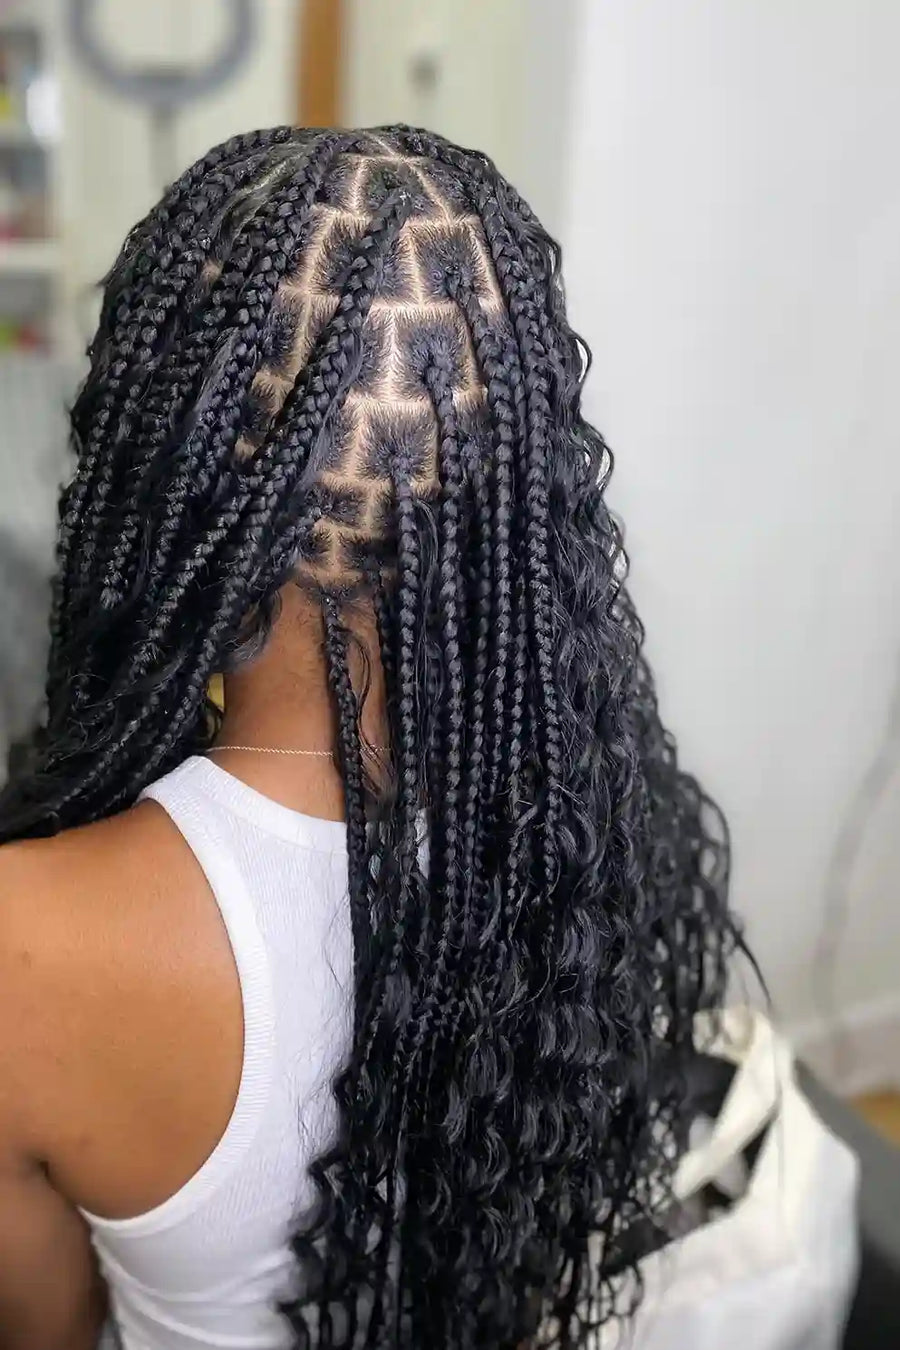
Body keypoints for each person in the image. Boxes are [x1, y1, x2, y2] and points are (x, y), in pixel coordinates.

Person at [0, 126, 737, 1350]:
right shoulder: (602, 828)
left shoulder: (30, 945)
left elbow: (43, 1331)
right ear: (521, 479)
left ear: (161, 469)